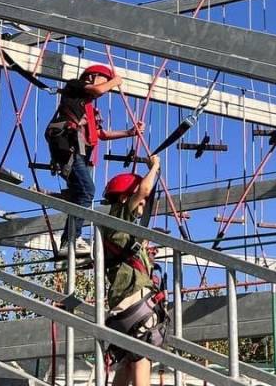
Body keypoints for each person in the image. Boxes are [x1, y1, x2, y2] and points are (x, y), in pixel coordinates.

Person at [45, 63, 143, 255]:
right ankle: (71, 240)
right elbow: (98, 90)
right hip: (67, 148)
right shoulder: (74, 87)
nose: (106, 88)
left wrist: (130, 132)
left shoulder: (87, 108)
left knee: (81, 194)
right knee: (87, 190)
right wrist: (115, 81)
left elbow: (100, 134)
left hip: (77, 152)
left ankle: (70, 239)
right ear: (92, 77)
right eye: (104, 81)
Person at [101, 154, 168, 386]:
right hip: (134, 300)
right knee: (141, 357)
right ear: (123, 198)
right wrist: (155, 168)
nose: (142, 204)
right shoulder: (119, 217)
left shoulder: (121, 231)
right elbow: (144, 190)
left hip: (123, 304)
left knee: (128, 361)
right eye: (137, 200)